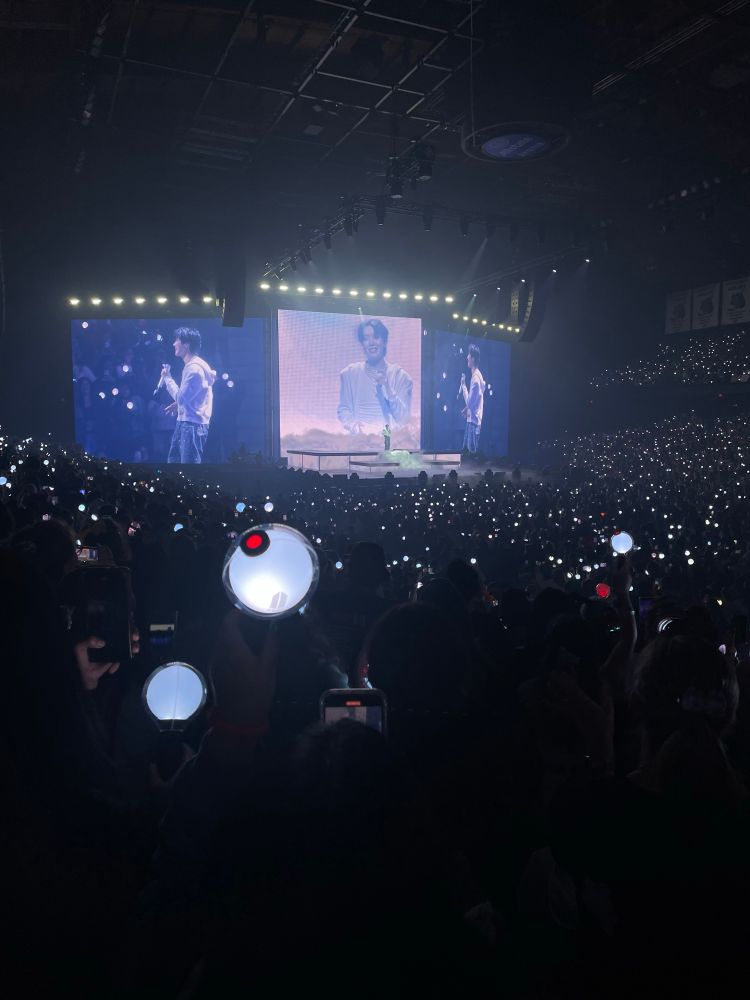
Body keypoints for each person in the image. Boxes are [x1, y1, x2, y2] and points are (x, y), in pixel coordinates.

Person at [337, 319, 413, 434]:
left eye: (376, 337)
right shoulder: (350, 374)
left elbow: (403, 420)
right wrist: (353, 425)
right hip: (359, 444)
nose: (371, 342)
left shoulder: (401, 377)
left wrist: (387, 387)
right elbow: (344, 409)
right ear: (362, 344)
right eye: (366, 338)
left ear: (385, 341)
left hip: (389, 446)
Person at [160, 328, 216, 464]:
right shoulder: (194, 367)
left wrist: (167, 378)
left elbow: (181, 398)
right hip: (187, 424)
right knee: (175, 467)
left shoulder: (194, 369)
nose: (174, 344)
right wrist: (179, 405)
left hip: (191, 426)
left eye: (177, 340)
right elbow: (193, 397)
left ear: (187, 345)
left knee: (187, 472)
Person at [459, 344, 485, 454]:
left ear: (473, 358)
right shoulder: (477, 375)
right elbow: (473, 402)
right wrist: (466, 409)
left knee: (470, 456)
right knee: (468, 454)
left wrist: (463, 385)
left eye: (469, 355)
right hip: (473, 421)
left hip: (473, 423)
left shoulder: (475, 379)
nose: (467, 357)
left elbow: (470, 402)